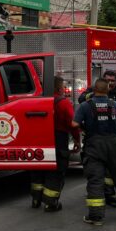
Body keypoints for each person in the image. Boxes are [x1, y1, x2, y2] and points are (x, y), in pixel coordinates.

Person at [72, 78, 116, 226]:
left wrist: (84, 128)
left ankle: (96, 217)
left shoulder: (85, 106)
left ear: (93, 90)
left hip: (94, 145)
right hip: (114, 144)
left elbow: (74, 123)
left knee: (95, 180)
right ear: (108, 90)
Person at [31, 76, 81, 212]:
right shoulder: (64, 103)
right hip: (58, 139)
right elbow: (72, 124)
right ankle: (50, 203)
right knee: (56, 172)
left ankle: (36, 200)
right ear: (59, 88)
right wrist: (77, 139)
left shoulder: (36, 101)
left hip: (39, 139)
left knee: (38, 169)